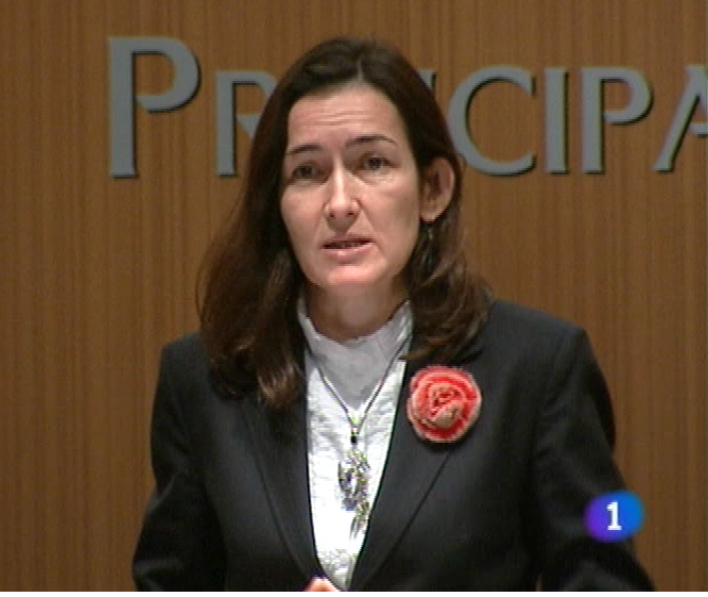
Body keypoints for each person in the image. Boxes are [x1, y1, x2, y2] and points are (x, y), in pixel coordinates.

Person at [131, 36, 653, 591]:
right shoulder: (204, 380)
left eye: (372, 163)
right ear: (276, 204)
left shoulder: (536, 368)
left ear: (433, 189)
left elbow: (606, 580)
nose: (339, 203)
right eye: (307, 172)